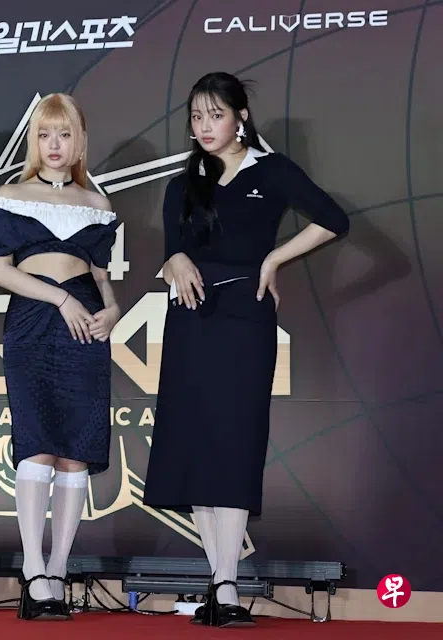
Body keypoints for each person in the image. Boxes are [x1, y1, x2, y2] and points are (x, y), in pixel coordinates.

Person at [141, 72, 350, 628]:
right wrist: (174, 259)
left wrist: (274, 260)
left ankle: (228, 584)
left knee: (234, 443)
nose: (205, 127)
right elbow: (173, 250)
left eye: (216, 115)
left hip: (244, 321)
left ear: (241, 117)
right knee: (196, 445)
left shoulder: (271, 170)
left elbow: (334, 220)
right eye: (197, 117)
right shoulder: (183, 184)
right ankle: (220, 582)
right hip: (189, 323)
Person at [0, 93, 120, 621]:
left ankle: (58, 572)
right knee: (36, 444)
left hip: (85, 325)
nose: (55, 144)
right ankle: (33, 570)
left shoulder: (98, 204)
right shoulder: (10, 195)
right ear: (34, 142)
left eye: (64, 134)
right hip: (34, 321)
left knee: (75, 452)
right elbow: (1, 272)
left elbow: (103, 280)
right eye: (45, 134)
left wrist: (112, 310)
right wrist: (60, 298)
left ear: (80, 140)